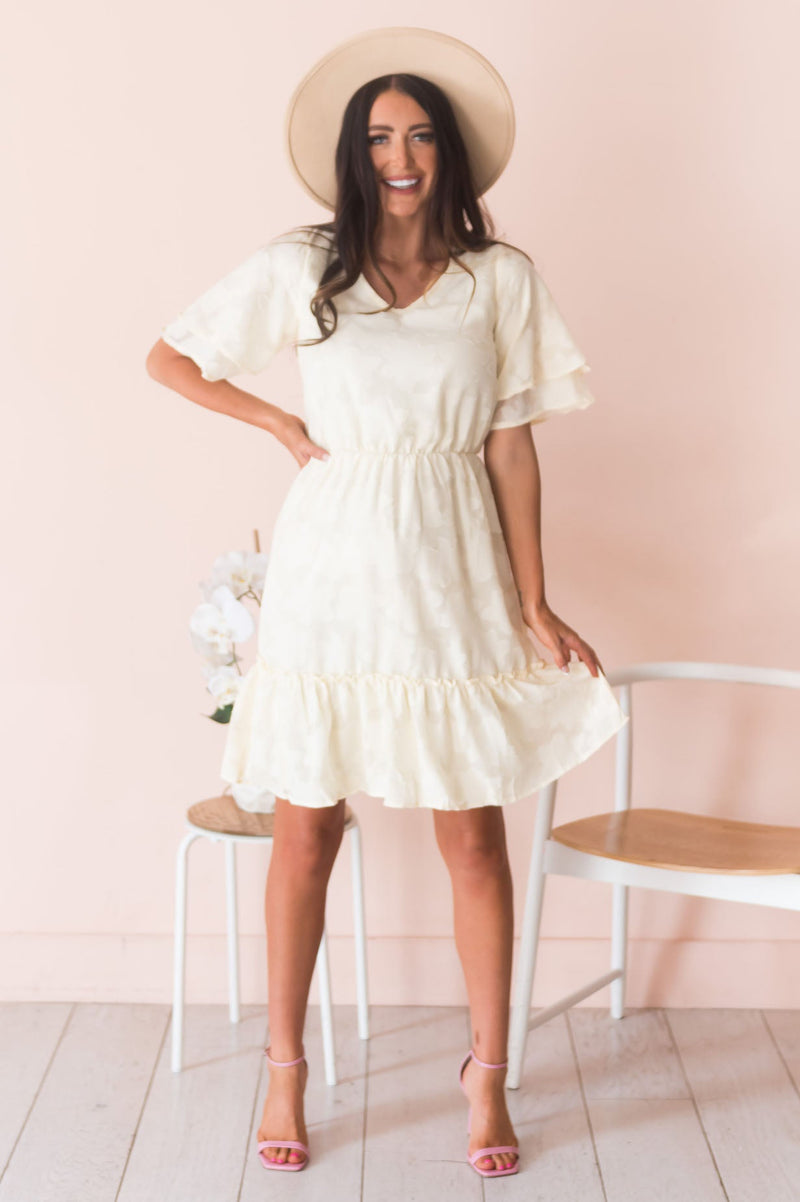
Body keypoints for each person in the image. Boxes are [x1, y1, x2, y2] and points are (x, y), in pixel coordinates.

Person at [146, 26, 628, 1181]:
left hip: (452, 565)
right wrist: (277, 421)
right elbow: (171, 357)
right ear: (352, 155)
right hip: (331, 569)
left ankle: (485, 1073)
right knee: (306, 825)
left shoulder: (498, 279)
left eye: (417, 136)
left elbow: (510, 449)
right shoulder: (305, 266)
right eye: (377, 137)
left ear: (447, 152)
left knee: (472, 830)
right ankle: (283, 1066)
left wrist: (533, 601)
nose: (398, 157)